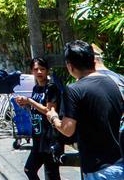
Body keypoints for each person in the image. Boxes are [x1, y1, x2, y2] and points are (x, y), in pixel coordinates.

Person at [45, 41, 124, 179]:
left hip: (97, 168)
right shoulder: (112, 83)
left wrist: (53, 117)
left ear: (70, 66)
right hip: (119, 163)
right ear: (92, 60)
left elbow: (68, 130)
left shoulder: (74, 90)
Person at [14, 57, 61, 180]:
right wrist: (25, 104)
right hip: (38, 137)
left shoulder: (51, 88)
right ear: (32, 71)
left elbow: (49, 110)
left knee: (52, 175)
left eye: (42, 69)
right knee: (29, 169)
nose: (39, 72)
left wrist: (29, 101)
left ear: (47, 71)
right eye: (36, 69)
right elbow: (36, 109)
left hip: (49, 137)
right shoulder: (36, 88)